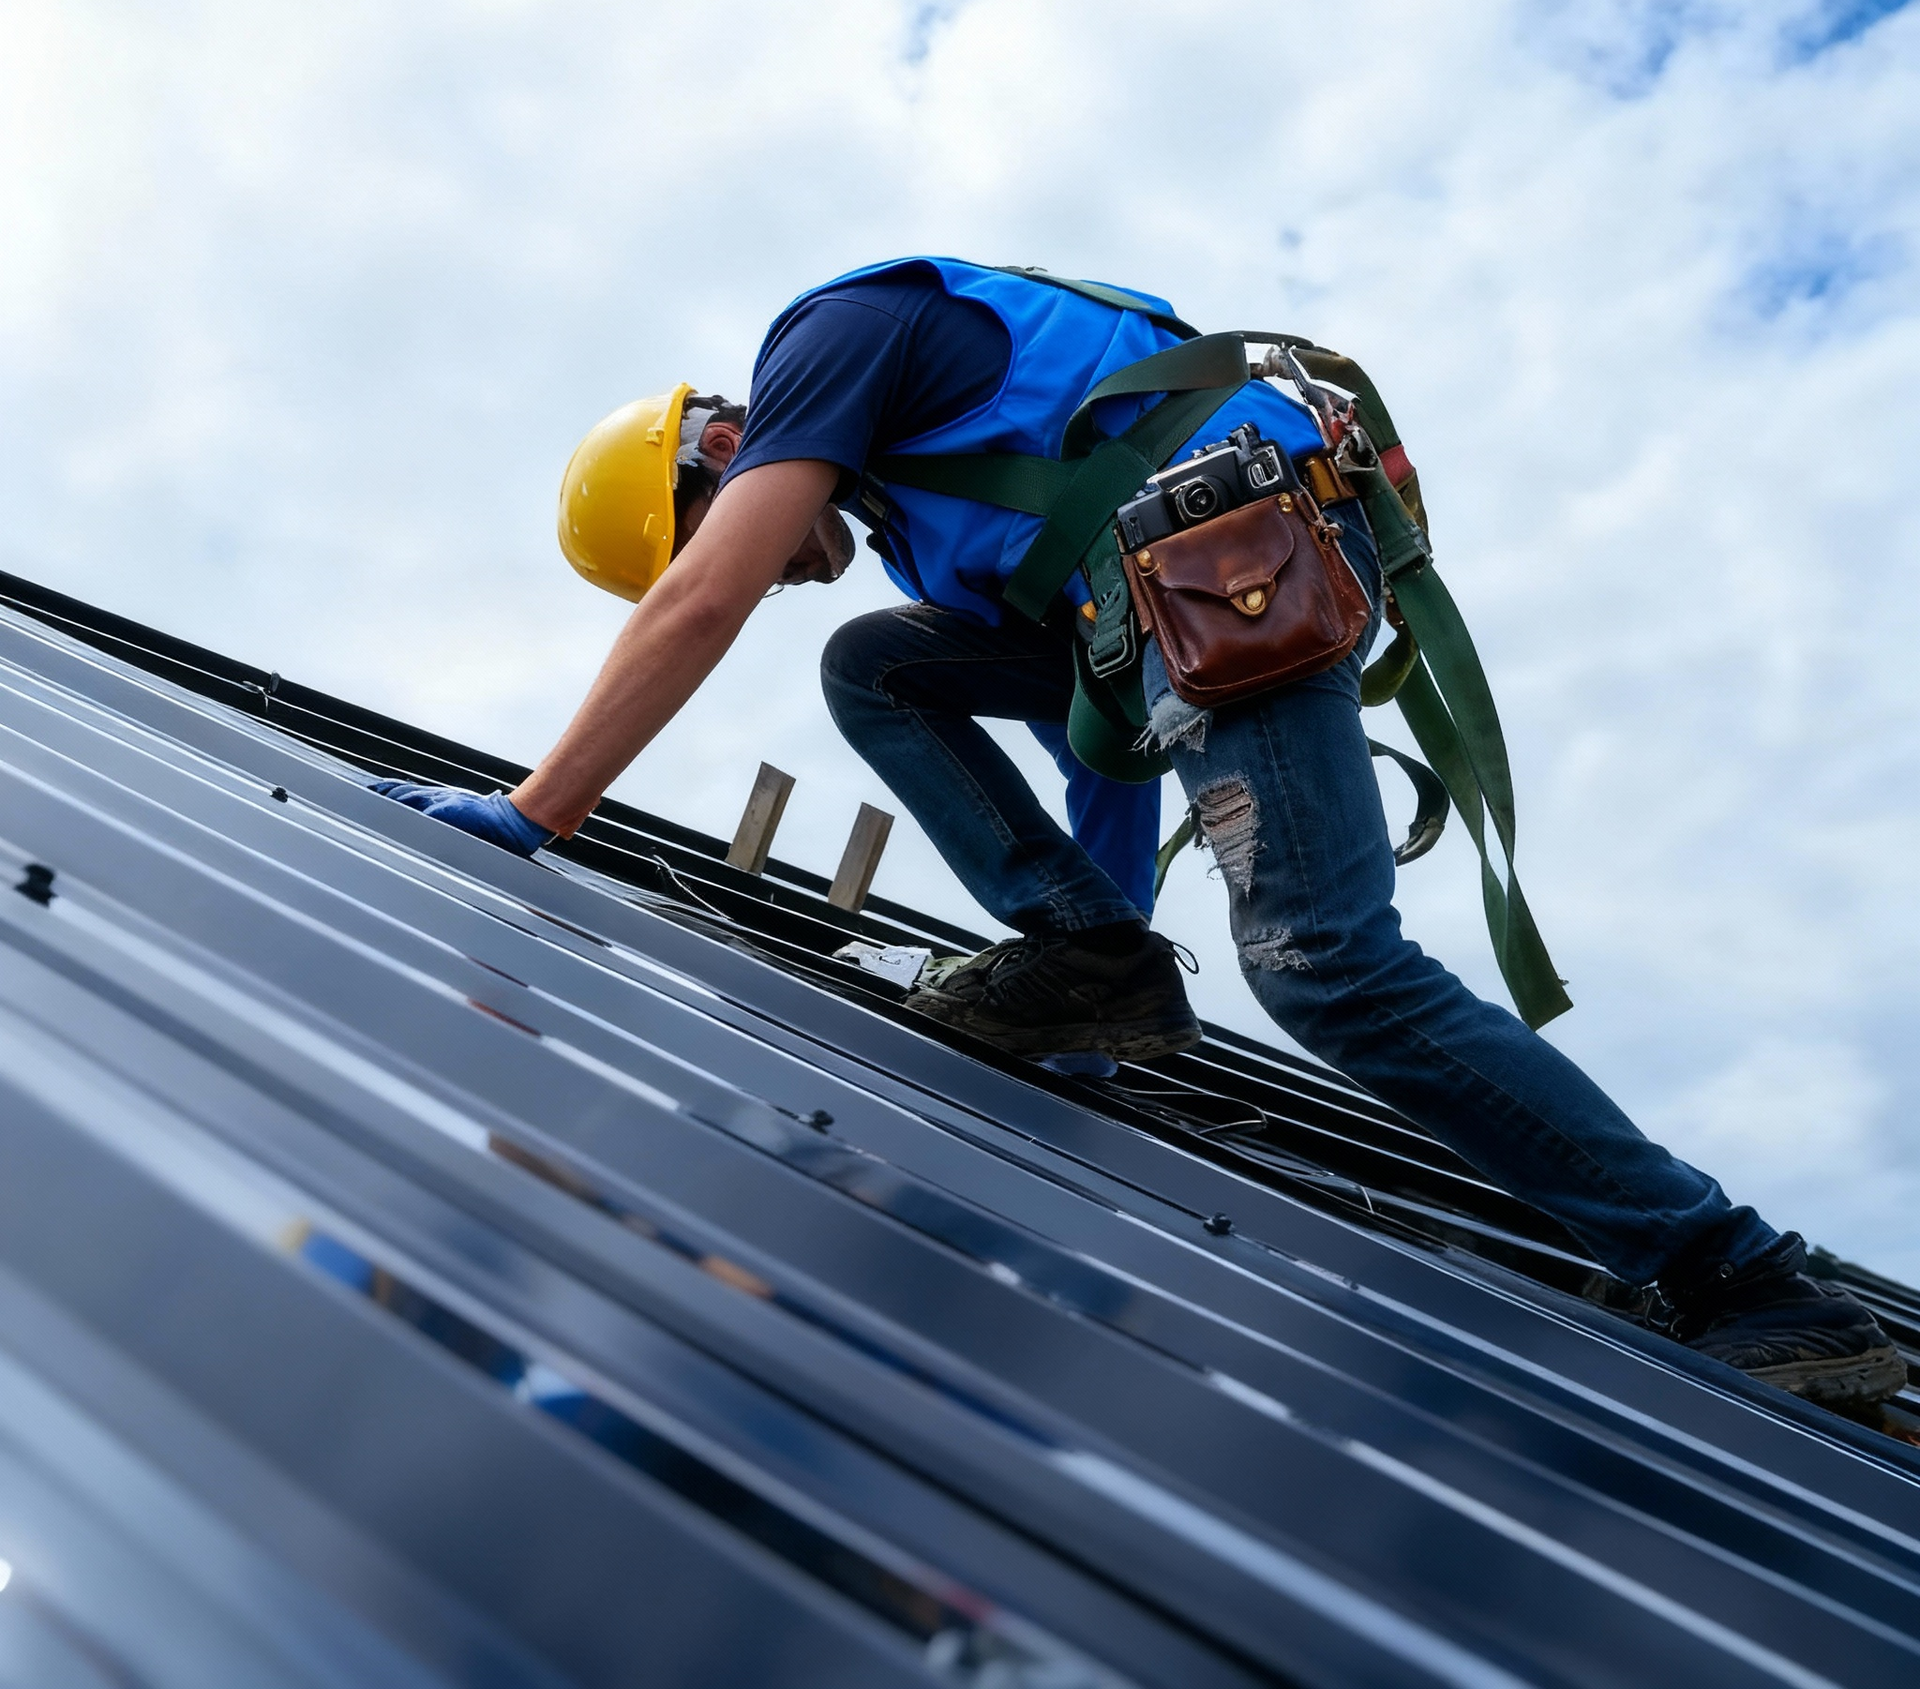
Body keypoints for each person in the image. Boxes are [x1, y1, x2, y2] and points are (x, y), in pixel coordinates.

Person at [373, 257, 1904, 1410]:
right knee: (877, 664)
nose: (775, 573)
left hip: (1230, 555)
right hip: (1164, 602)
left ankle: (1739, 1272)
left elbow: (693, 607)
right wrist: (1097, 978)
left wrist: (533, 813)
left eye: (735, 538)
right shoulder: (954, 526)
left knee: (1325, 967)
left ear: (713, 452)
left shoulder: (824, 343)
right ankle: (1089, 957)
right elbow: (1099, 737)